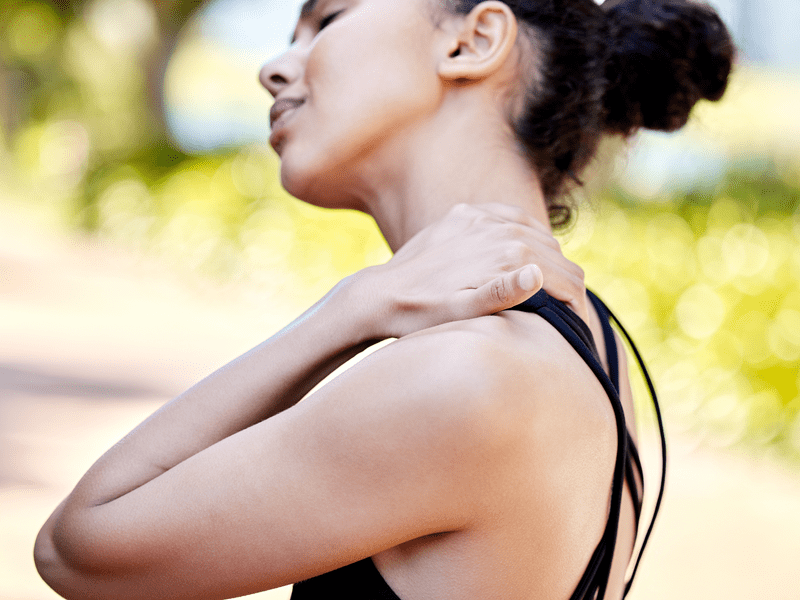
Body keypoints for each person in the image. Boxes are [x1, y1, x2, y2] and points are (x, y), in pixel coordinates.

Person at [34, 0, 734, 599]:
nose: (273, 66)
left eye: (327, 19)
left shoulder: (470, 375)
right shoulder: (581, 345)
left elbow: (77, 550)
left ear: (472, 40)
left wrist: (347, 311)